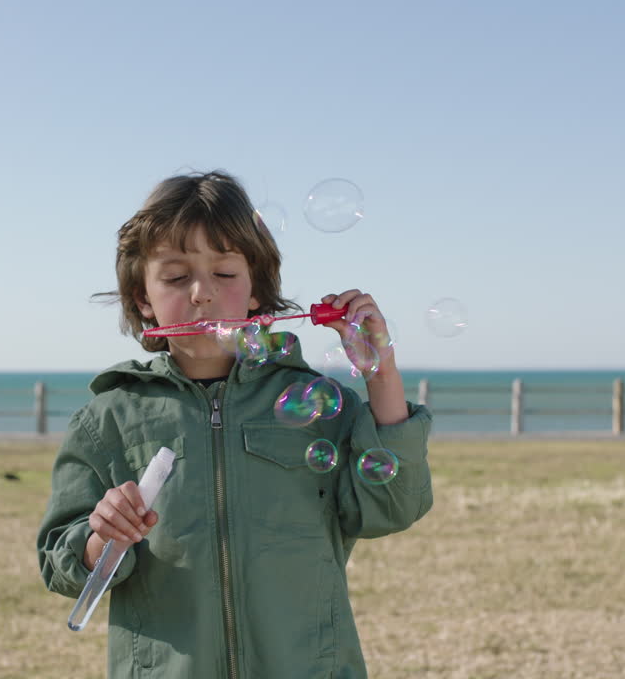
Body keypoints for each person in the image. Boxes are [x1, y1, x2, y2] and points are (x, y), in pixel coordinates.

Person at [36, 170, 433, 678]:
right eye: (176, 277)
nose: (202, 293)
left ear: (255, 294)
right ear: (143, 299)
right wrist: (101, 538)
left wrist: (381, 374)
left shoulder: (316, 405)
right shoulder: (107, 419)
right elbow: (60, 566)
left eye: (224, 274)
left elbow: (394, 507)